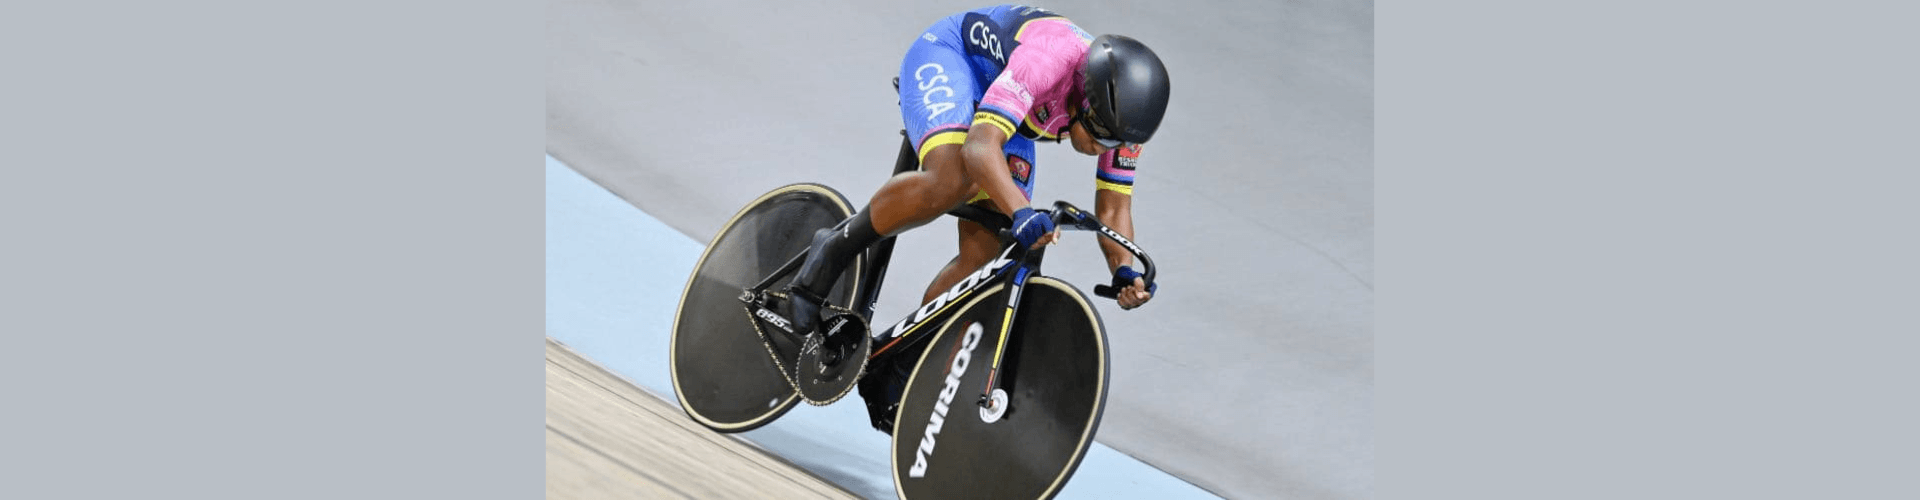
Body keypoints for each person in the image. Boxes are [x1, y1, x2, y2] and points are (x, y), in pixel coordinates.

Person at [781, 5, 1169, 426]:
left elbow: (1113, 207)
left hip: (1009, 112)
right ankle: (834, 247)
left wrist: (1124, 271)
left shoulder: (1124, 127)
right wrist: (1022, 212)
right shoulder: (1050, 60)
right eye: (1099, 134)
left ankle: (901, 364)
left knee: (993, 256)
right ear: (1084, 96)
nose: (1104, 148)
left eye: (1115, 141)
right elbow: (980, 148)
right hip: (953, 60)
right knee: (954, 179)